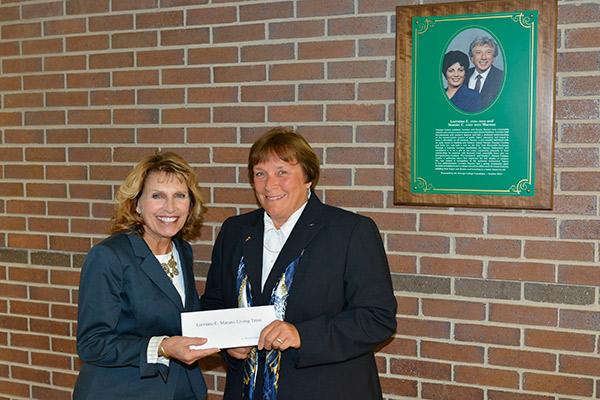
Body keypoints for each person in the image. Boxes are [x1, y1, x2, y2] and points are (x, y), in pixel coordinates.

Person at [201, 127, 397, 399]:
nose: (270, 185)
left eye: (282, 172)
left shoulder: (350, 231)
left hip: (326, 389)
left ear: (308, 177)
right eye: (260, 174)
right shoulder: (235, 231)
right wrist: (227, 345)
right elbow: (214, 304)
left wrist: (301, 334)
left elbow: (378, 319)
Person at [74, 152, 219, 400]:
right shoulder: (108, 256)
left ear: (190, 204)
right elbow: (92, 343)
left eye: (180, 196)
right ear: (137, 204)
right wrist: (162, 347)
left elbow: (179, 316)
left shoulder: (182, 250)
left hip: (180, 388)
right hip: (122, 392)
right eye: (157, 196)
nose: (170, 207)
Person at [466, 36, 504, 109]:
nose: (483, 57)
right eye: (478, 52)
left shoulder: (502, 77)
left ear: (494, 57)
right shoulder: (462, 76)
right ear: (471, 57)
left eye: (488, 52)